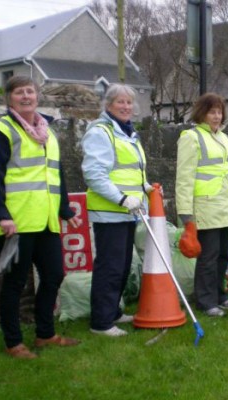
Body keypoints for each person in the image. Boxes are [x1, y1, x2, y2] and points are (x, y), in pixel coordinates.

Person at [0, 76, 81, 359]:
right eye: (19, 92)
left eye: (30, 91)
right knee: (15, 283)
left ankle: (45, 335)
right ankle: (13, 342)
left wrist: (65, 210)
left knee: (54, 275)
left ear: (37, 96)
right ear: (9, 98)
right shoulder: (0, 131)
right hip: (15, 224)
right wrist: (1, 215)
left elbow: (55, 175)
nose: (26, 96)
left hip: (45, 221)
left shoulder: (48, 132)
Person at [82, 83, 154, 337]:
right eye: (119, 102)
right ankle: (101, 323)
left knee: (123, 265)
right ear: (108, 105)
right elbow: (94, 174)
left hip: (128, 212)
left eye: (129, 102)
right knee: (110, 266)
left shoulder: (128, 133)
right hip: (110, 212)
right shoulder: (101, 132)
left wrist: (146, 188)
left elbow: (130, 172)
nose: (126, 107)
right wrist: (122, 199)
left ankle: (112, 312)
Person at [176, 92, 228, 317]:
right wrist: (185, 214)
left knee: (222, 256)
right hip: (205, 207)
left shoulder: (226, 140)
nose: (217, 116)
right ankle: (206, 301)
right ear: (202, 113)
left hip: (226, 208)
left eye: (219, 112)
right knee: (208, 257)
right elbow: (184, 177)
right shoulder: (191, 137)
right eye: (212, 112)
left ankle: (218, 296)